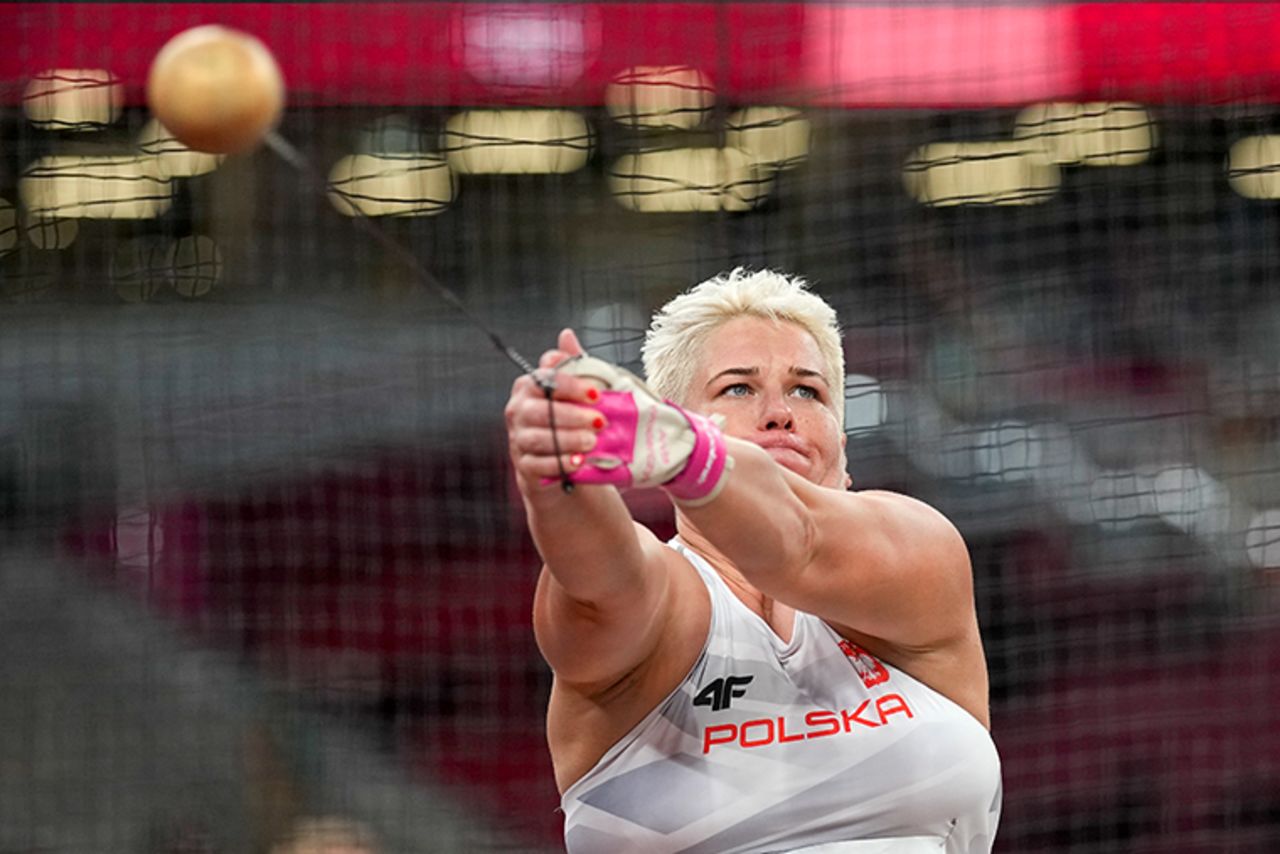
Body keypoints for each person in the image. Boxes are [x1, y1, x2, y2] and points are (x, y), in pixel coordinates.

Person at [505, 268, 1001, 853]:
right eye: (737, 388)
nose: (779, 413)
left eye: (807, 391)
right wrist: (557, 464)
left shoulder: (919, 556)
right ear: (661, 423)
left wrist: (690, 451)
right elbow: (599, 572)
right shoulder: (665, 602)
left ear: (843, 442)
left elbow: (799, 544)